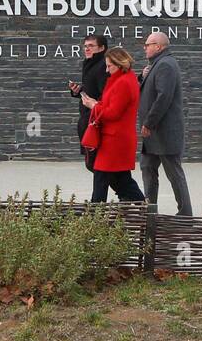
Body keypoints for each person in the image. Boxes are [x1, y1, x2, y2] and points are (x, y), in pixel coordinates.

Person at [138, 31, 193, 216]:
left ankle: (185, 214)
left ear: (159, 47)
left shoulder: (166, 65)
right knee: (147, 167)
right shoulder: (156, 65)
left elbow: (163, 98)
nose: (145, 48)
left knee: (174, 174)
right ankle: (150, 211)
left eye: (148, 44)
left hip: (164, 133)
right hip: (154, 135)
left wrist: (149, 122)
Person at [81, 47, 146, 204]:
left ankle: (95, 215)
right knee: (121, 179)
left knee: (102, 177)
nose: (107, 69)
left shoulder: (123, 82)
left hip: (115, 139)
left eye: (109, 66)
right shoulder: (123, 79)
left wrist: (94, 106)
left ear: (120, 64)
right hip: (116, 138)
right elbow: (112, 107)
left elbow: (113, 113)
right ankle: (144, 207)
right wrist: (97, 104)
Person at [69, 34, 108, 171]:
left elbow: (105, 95)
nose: (87, 49)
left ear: (102, 48)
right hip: (88, 118)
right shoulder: (90, 64)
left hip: (95, 120)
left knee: (95, 165)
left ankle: (130, 192)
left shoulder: (102, 66)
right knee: (95, 166)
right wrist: (78, 91)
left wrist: (95, 106)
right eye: (85, 46)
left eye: (91, 46)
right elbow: (92, 90)